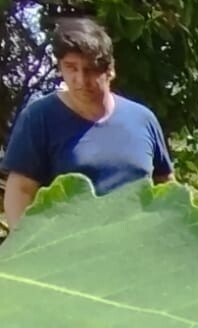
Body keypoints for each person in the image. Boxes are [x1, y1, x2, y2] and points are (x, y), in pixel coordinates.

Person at [2, 17, 174, 228]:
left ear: (110, 70)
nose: (80, 80)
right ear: (60, 67)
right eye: (71, 68)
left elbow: (165, 183)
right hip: (71, 254)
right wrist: (24, 248)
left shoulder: (143, 119)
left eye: (90, 69)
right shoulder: (39, 118)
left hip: (139, 250)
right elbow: (21, 190)